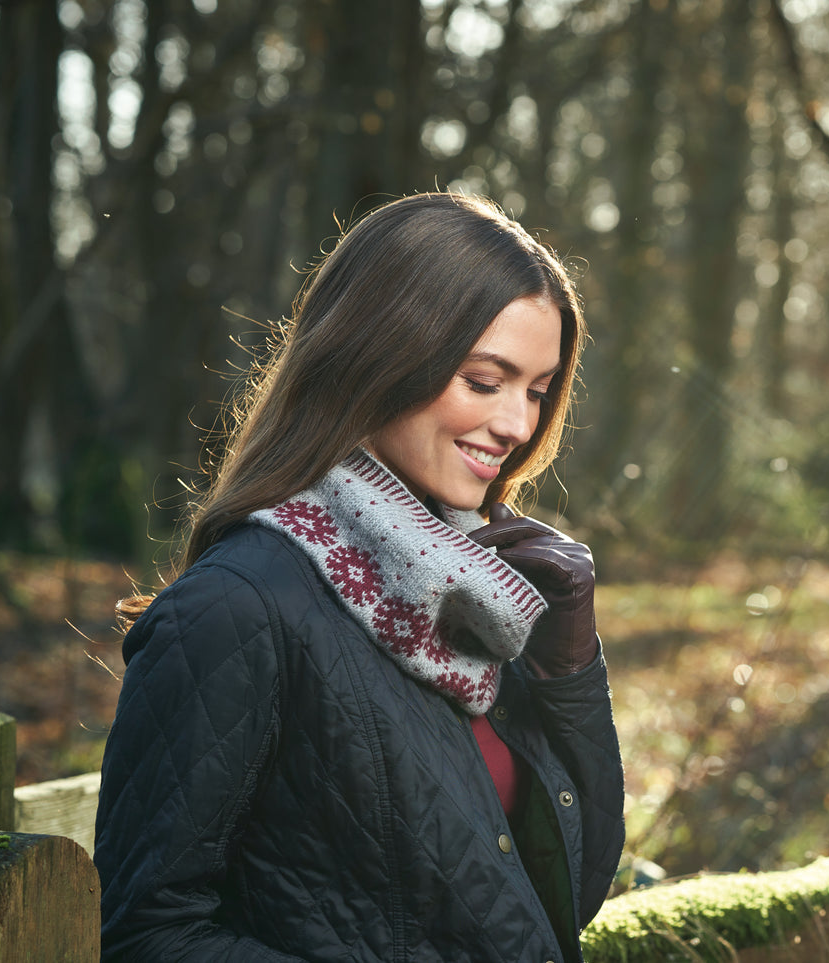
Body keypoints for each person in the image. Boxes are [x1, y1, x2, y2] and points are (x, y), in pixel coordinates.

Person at [94, 192, 625, 962]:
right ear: (379, 357)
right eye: (484, 381)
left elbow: (572, 891)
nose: (517, 425)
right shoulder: (235, 608)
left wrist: (569, 669)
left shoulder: (477, 598)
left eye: (537, 392)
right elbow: (146, 935)